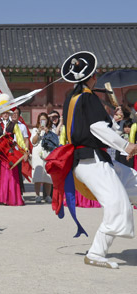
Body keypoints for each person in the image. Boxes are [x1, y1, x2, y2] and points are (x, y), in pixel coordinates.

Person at [46, 51, 137, 269]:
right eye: (96, 73)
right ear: (90, 76)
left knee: (133, 182)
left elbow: (96, 128)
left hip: (94, 158)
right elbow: (96, 128)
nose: (97, 76)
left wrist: (114, 123)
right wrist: (126, 145)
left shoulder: (73, 99)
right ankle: (96, 253)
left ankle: (98, 251)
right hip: (91, 160)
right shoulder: (87, 98)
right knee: (117, 203)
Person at [0, 97, 27, 206]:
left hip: (10, 153)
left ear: (9, 114)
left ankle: (11, 198)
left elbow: (20, 139)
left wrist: (24, 150)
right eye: (3, 112)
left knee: (10, 176)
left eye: (7, 112)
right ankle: (1, 198)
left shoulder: (14, 125)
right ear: (0, 114)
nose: (5, 114)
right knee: (0, 176)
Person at [30, 112, 53, 203]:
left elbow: (54, 141)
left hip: (48, 153)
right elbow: (33, 142)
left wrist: (48, 133)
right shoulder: (35, 129)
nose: (42, 121)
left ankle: (47, 195)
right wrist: (39, 132)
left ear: (47, 121)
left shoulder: (51, 130)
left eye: (44, 119)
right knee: (38, 174)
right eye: (41, 120)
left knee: (48, 175)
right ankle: (37, 195)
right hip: (37, 154)